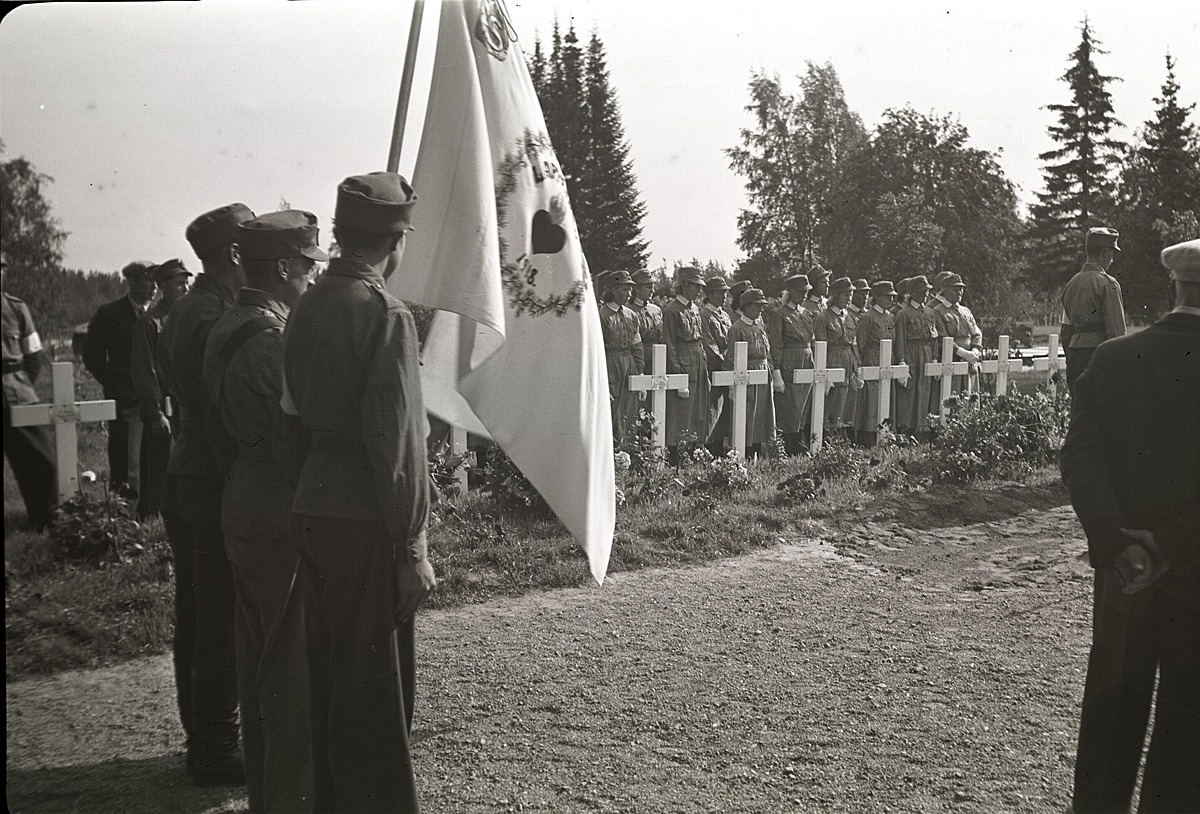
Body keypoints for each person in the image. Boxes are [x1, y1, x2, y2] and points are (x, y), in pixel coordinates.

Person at [281, 172, 436, 813]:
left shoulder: (304, 305)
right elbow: (396, 443)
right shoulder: (384, 315)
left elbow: (288, 419)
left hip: (314, 505)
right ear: (395, 242)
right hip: (367, 515)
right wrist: (413, 546)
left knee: (329, 677)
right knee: (376, 689)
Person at [1060, 238, 1199, 814]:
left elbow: (1080, 458)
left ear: (1175, 284)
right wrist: (1173, 545)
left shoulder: (1114, 359)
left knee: (1113, 706)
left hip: (1125, 572)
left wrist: (1119, 543)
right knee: (1189, 721)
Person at [203, 210, 325, 813]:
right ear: (283, 268)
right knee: (291, 668)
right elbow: (296, 437)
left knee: (259, 660)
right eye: (307, 268)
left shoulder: (229, 323)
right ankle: (293, 799)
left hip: (242, 496)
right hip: (279, 504)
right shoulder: (270, 341)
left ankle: (270, 794)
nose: (310, 280)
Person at [160, 202, 255, 784]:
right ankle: (216, 747)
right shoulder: (212, 314)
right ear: (235, 255)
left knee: (197, 611)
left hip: (185, 470)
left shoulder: (187, 308)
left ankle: (204, 736)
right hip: (211, 474)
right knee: (216, 614)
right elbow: (224, 405)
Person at [83, 260, 156, 512]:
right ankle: (124, 517)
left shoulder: (160, 314)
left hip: (155, 401)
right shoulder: (109, 314)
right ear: (132, 281)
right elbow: (92, 357)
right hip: (127, 401)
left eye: (156, 280)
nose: (154, 286)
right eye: (148, 279)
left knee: (153, 458)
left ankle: (150, 514)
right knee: (127, 462)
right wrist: (116, 385)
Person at [129, 258, 192, 519]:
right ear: (164, 287)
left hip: (186, 405)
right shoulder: (151, 323)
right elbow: (144, 371)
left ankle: (180, 514)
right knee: (161, 470)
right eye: (180, 284)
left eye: (187, 283)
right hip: (163, 408)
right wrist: (155, 413)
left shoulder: (186, 318)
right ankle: (157, 519)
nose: (186, 290)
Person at [2, 253, 56, 530]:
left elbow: (33, 356)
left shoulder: (16, 308)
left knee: (41, 463)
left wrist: (19, 384)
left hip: (18, 395)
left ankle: (45, 522)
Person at [1061, 226, 1127, 394]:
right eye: (1111, 254)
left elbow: (1066, 330)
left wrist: (1072, 357)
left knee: (1080, 411)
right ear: (1105, 253)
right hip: (1099, 356)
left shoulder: (1071, 284)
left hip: (1075, 357)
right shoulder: (1108, 284)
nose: (1112, 260)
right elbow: (1116, 331)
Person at [663, 266, 710, 465]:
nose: (699, 291)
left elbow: (700, 339)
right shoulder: (672, 311)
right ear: (685, 286)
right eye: (696, 286)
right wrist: (678, 376)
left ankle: (692, 451)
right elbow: (670, 344)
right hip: (683, 363)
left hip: (698, 362)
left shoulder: (694, 308)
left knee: (697, 411)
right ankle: (677, 455)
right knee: (681, 412)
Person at [768, 274, 814, 456]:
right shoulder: (780, 314)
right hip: (790, 362)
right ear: (791, 292)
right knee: (791, 406)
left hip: (806, 360)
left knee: (804, 405)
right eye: (800, 292)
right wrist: (777, 371)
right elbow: (776, 343)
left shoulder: (806, 313)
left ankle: (800, 442)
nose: (803, 295)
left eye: (806, 292)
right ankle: (790, 446)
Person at [727, 287, 775, 459]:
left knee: (762, 416)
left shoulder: (760, 326)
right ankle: (744, 454)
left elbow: (767, 352)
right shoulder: (738, 328)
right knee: (748, 415)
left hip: (762, 374)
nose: (760, 309)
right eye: (756, 306)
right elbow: (731, 357)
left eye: (762, 306)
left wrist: (771, 372)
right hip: (747, 375)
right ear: (745, 307)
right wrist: (732, 386)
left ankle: (758, 451)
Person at [598, 270, 643, 445]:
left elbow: (637, 345)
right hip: (610, 366)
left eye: (631, 290)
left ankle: (629, 448)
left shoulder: (632, 315)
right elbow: (598, 348)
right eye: (625, 289)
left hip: (629, 365)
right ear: (613, 290)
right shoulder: (602, 315)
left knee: (630, 409)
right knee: (612, 410)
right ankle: (613, 451)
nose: (629, 294)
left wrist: (639, 371)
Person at [893, 275, 939, 436]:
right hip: (911, 354)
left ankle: (923, 429)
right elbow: (900, 339)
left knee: (925, 390)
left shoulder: (930, 312)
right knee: (909, 392)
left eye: (927, 291)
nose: (926, 294)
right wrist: (901, 361)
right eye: (922, 291)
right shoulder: (903, 314)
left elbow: (935, 338)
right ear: (913, 293)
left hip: (926, 353)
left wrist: (934, 357)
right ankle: (906, 430)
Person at [813, 277, 859, 436]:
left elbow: (854, 343)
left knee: (849, 399)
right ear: (836, 296)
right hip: (833, 360)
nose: (849, 298)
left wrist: (856, 366)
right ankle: (829, 437)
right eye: (846, 295)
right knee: (834, 400)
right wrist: (825, 372)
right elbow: (820, 346)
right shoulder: (823, 318)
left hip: (849, 361)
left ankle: (844, 435)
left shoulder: (850, 316)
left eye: (851, 295)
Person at [854, 280, 898, 446]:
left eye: (893, 297)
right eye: (887, 296)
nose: (891, 300)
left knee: (885, 401)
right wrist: (859, 367)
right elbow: (860, 344)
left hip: (887, 360)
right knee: (871, 403)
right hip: (872, 361)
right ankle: (868, 440)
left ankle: (885, 437)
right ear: (877, 297)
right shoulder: (867, 318)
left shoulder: (890, 317)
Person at [930, 273, 981, 395]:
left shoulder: (965, 311)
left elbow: (976, 333)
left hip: (971, 360)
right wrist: (963, 353)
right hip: (952, 359)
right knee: (953, 396)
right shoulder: (938, 311)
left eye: (961, 289)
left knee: (971, 397)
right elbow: (943, 338)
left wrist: (974, 351)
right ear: (944, 291)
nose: (959, 292)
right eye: (955, 289)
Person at [699, 276, 732, 457]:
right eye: (720, 293)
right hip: (714, 369)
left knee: (724, 413)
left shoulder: (724, 315)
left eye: (725, 293)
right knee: (712, 411)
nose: (724, 296)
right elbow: (709, 345)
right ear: (710, 294)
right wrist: (725, 363)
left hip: (727, 368)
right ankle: (708, 451)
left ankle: (720, 451)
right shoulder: (704, 316)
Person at [840, 278, 870, 434]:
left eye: (867, 294)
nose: (864, 298)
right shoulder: (847, 314)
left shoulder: (866, 314)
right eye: (861, 294)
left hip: (859, 361)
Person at [629, 269, 663, 373]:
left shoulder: (656, 310)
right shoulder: (628, 310)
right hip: (637, 359)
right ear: (637, 288)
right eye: (648, 287)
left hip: (658, 359)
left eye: (653, 287)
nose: (652, 291)